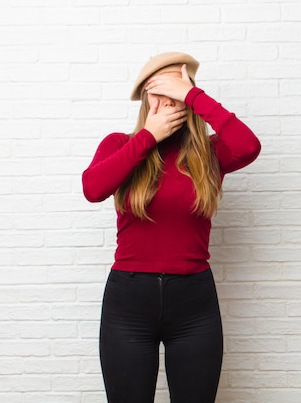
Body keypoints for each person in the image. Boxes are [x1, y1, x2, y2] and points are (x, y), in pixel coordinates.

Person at [81, 52, 261, 403]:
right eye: (156, 90)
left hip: (194, 302)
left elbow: (249, 145)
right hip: (128, 303)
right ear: (144, 99)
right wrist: (148, 136)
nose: (165, 99)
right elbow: (93, 188)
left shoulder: (209, 154)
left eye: (174, 90)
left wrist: (194, 96)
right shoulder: (120, 144)